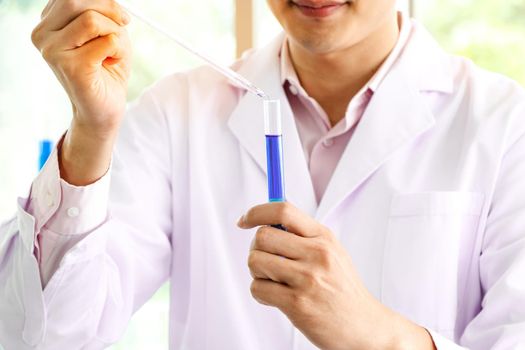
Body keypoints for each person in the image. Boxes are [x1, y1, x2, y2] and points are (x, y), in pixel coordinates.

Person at [1, 0, 524, 348]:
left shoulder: (504, 125)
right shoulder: (177, 111)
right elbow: (41, 334)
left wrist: (375, 334)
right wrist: (92, 132)